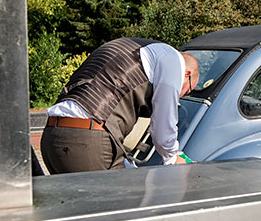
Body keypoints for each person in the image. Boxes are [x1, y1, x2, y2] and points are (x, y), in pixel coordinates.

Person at [40, 37, 200, 173]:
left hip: (52, 136)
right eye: (188, 90)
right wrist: (172, 157)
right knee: (128, 204)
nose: (182, 95)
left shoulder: (132, 47)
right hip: (86, 141)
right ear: (187, 74)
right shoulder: (172, 59)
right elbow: (163, 124)